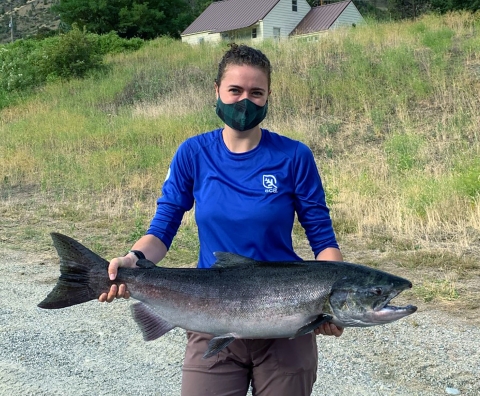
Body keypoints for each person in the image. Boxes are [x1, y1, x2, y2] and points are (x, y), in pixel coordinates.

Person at [99, 43, 344, 396]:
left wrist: (331, 297)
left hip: (287, 316)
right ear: (216, 91)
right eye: (235, 90)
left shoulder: (294, 156)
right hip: (210, 312)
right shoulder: (193, 153)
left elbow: (322, 237)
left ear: (268, 97)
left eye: (256, 92)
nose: (244, 101)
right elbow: (163, 227)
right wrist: (131, 261)